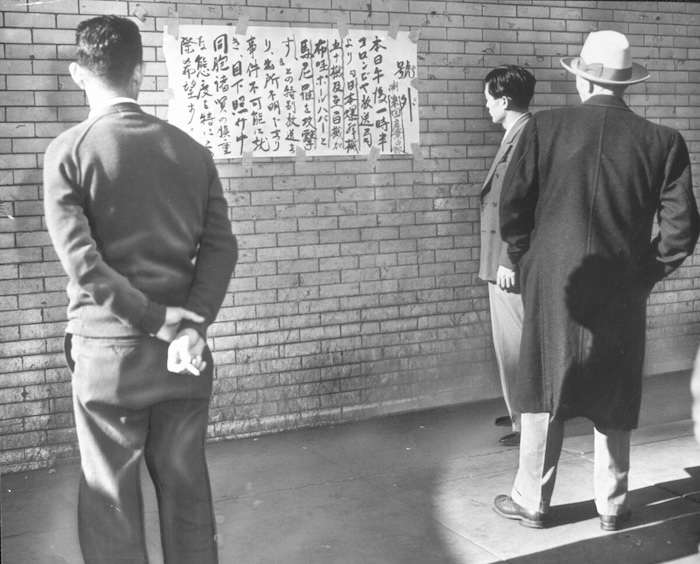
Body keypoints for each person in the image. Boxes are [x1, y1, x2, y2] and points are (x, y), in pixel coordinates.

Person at [43, 15, 237, 563]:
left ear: (79, 74)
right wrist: (191, 323)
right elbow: (223, 248)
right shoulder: (192, 151)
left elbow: (84, 266)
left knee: (111, 501)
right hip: (186, 356)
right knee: (187, 487)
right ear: (141, 71)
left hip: (109, 358)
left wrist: (157, 319)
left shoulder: (69, 152)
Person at [492, 30, 699, 531]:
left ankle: (533, 501)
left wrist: (524, 259)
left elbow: (513, 208)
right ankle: (612, 504)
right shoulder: (663, 141)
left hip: (552, 282)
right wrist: (644, 273)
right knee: (615, 386)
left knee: (542, 384)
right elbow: (681, 230)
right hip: (622, 284)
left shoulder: (544, 127)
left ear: (582, 81)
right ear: (626, 85)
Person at [479, 65, 536, 448]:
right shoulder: (517, 134)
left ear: (503, 100)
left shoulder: (525, 138)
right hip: (500, 259)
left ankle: (525, 424)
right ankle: (518, 410)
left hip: (508, 263)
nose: (485, 106)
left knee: (515, 345)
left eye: (488, 99)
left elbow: (524, 207)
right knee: (509, 344)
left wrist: (509, 261)